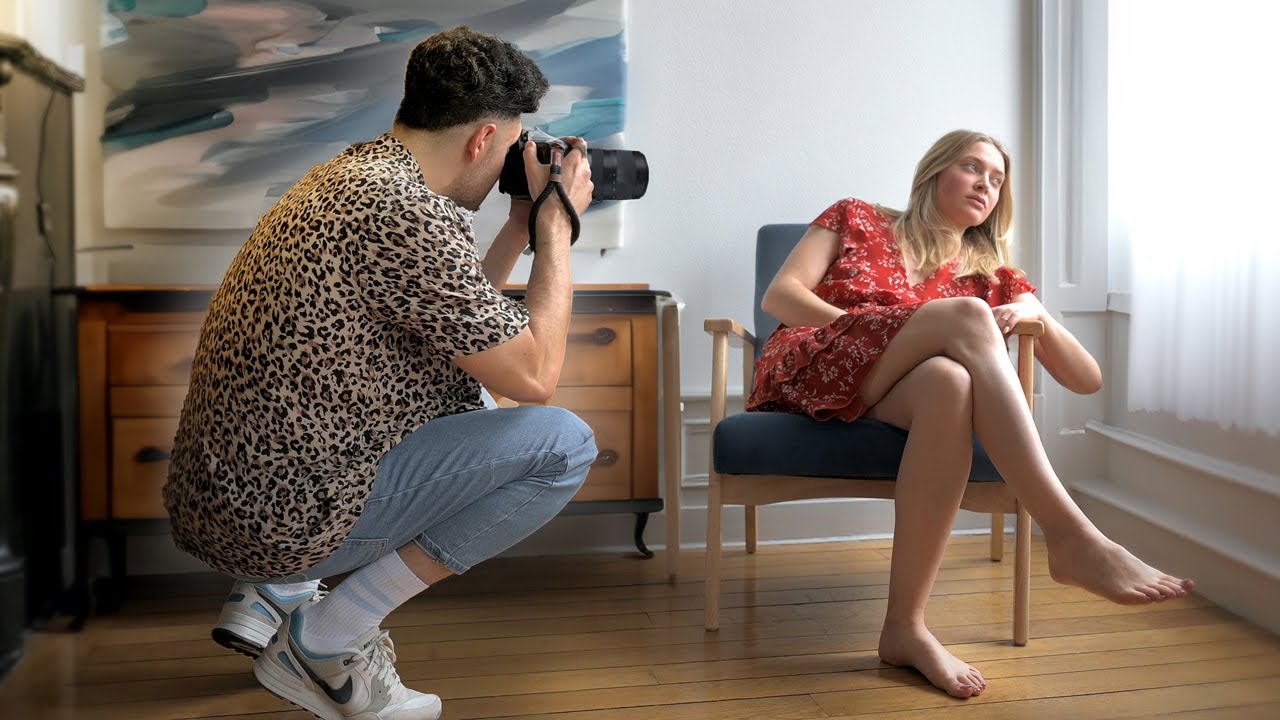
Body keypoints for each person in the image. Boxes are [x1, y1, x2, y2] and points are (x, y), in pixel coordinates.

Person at [162, 26, 596, 720]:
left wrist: (517, 225)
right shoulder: (403, 212)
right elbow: (534, 375)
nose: (518, 160)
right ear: (484, 139)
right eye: (517, 145)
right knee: (563, 444)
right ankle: (322, 640)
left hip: (234, 496)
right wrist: (557, 229)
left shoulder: (355, 180)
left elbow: (461, 329)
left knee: (470, 391)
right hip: (281, 516)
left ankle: (276, 591)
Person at [747, 129, 1194, 699]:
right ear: (935, 172)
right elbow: (781, 297)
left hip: (889, 390)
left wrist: (1035, 309)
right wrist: (869, 330)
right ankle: (1070, 534)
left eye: (998, 179)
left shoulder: (990, 272)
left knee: (949, 383)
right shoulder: (856, 216)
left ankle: (904, 628)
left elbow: (1086, 378)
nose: (987, 184)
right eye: (972, 168)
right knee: (967, 318)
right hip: (814, 362)